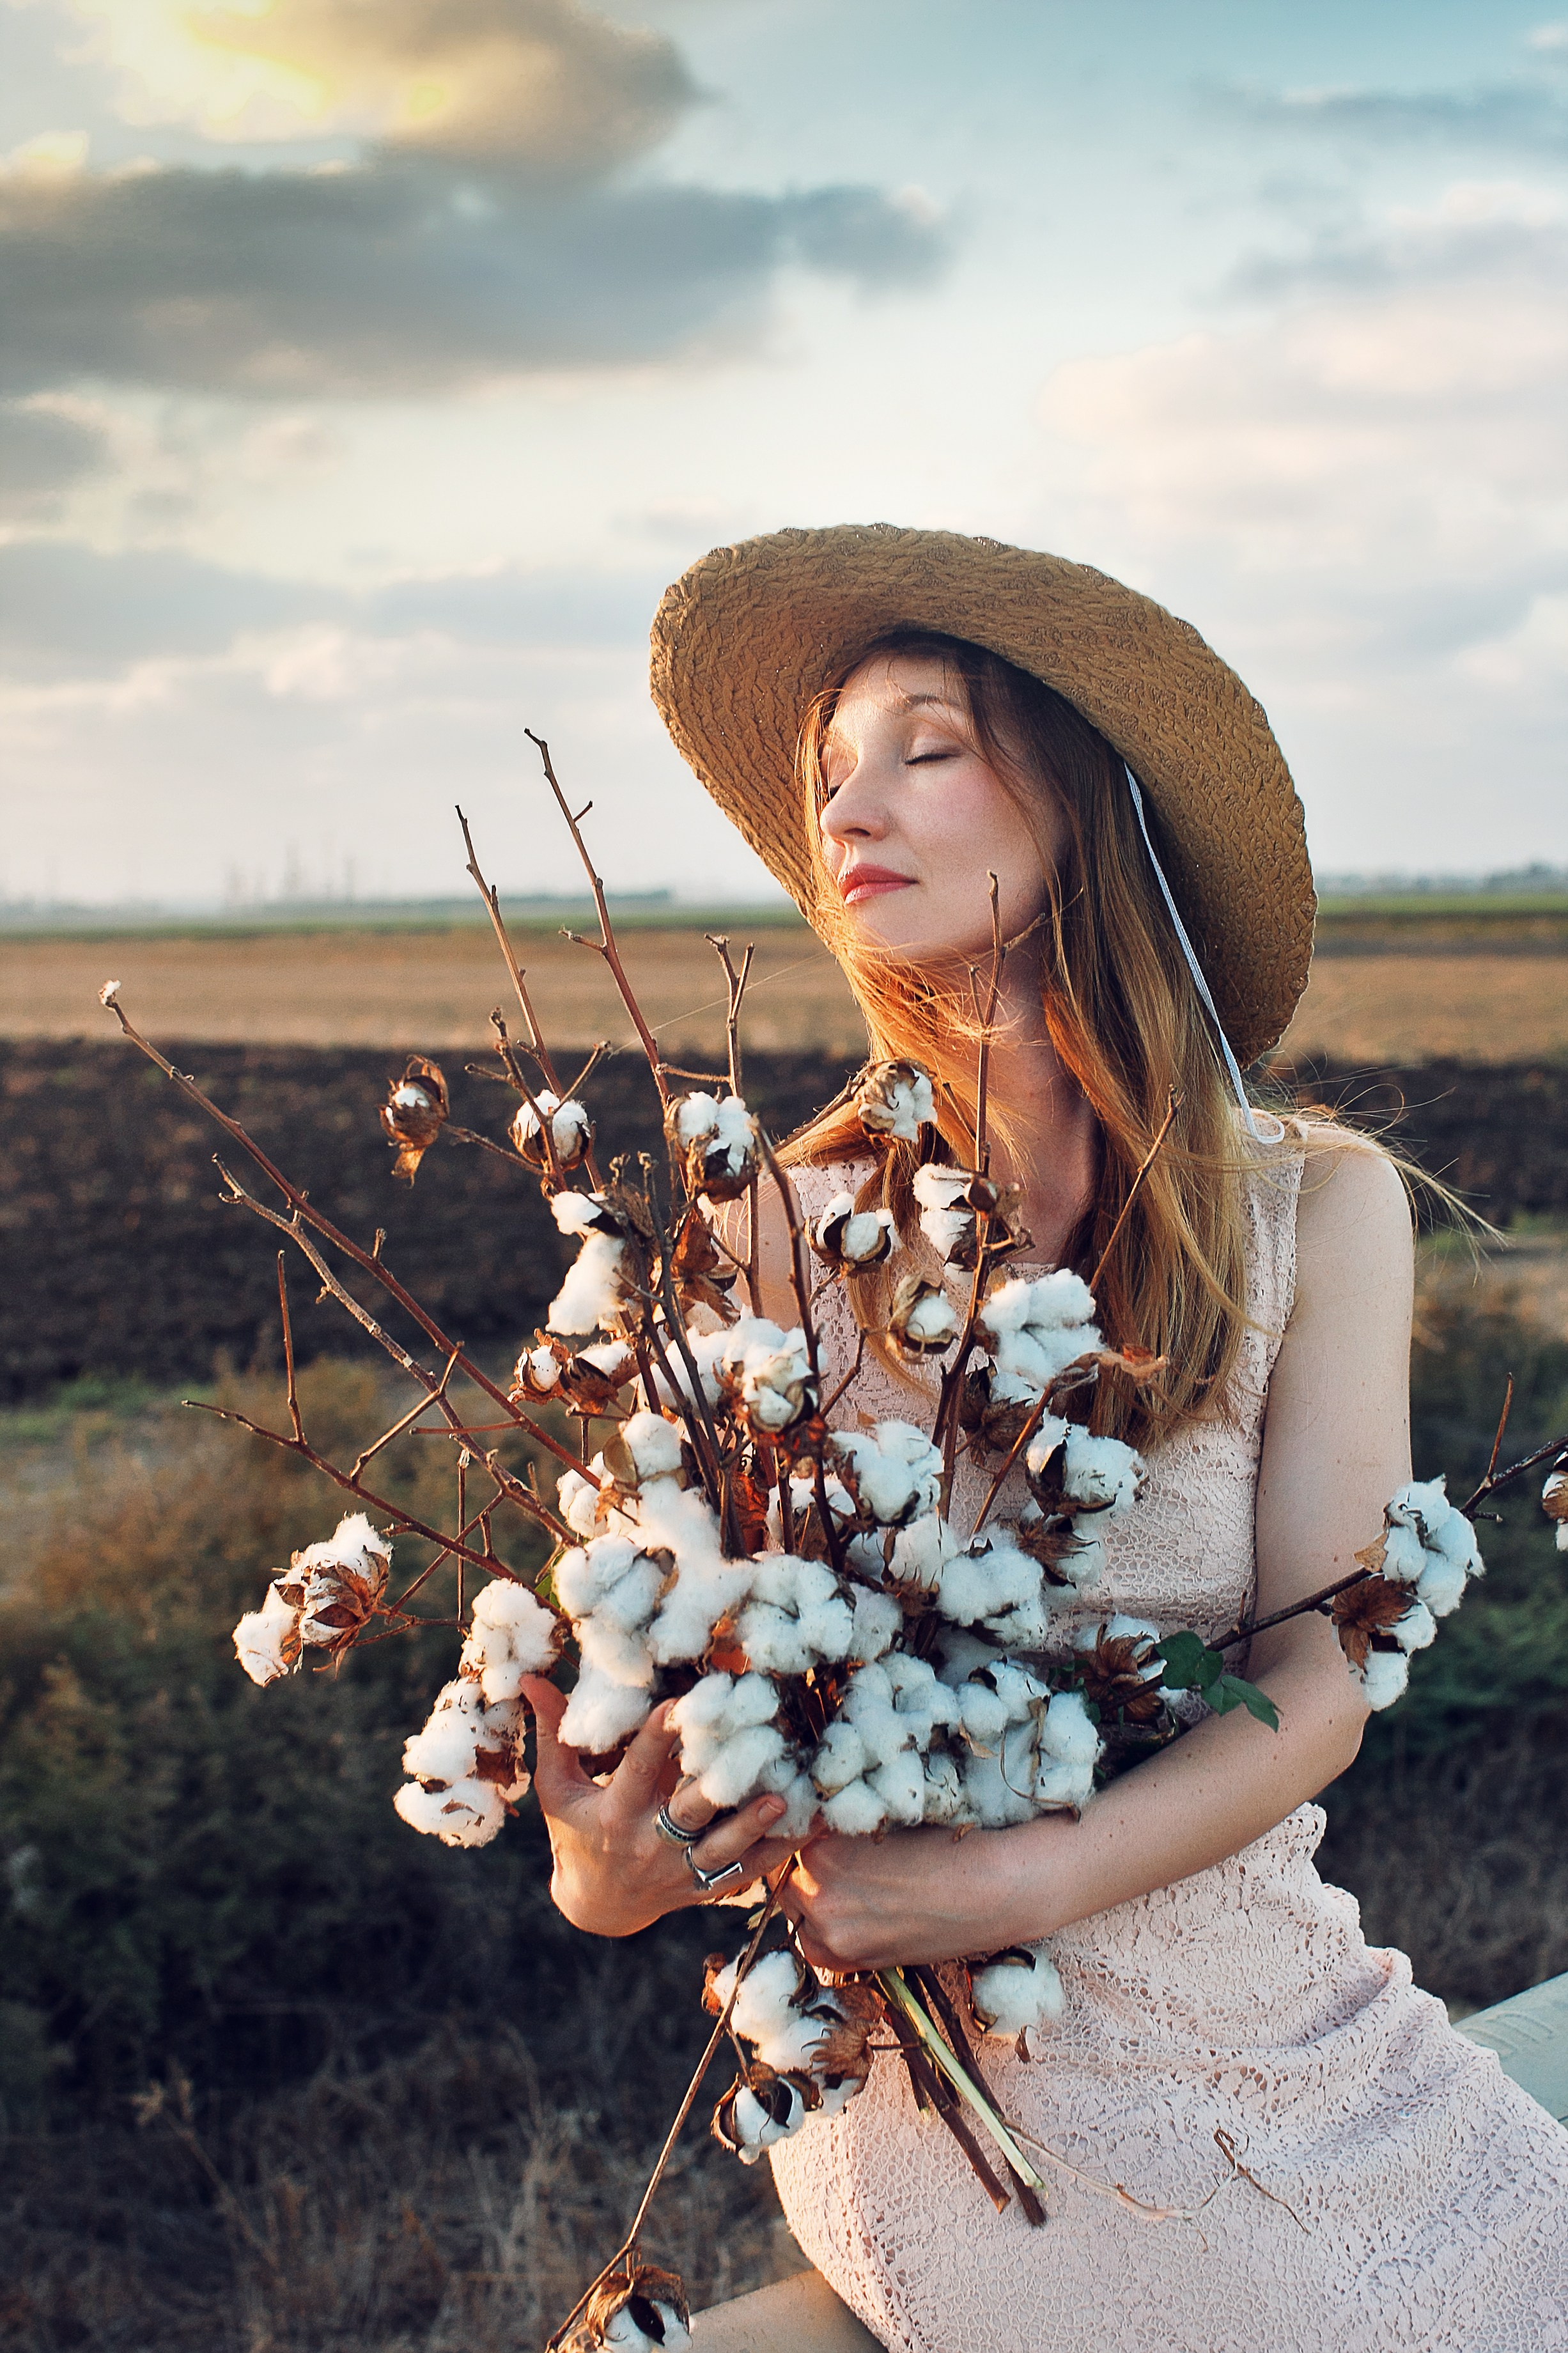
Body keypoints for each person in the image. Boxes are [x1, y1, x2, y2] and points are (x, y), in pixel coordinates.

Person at [523, 527, 1568, 2351]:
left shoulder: (1316, 1207)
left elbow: (1318, 1684)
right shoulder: (765, 1237)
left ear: (1086, 801)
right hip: (987, 2118)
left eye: (925, 744)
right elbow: (679, 1746)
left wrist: (1013, 1871)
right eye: (831, 767)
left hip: (1313, 2023)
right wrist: (614, 1867)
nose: (855, 801)